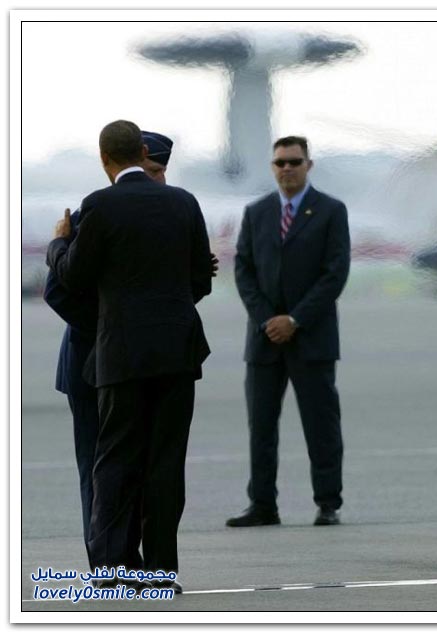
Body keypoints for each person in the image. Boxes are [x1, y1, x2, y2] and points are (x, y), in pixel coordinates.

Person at [46, 120, 213, 592]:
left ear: (104, 158)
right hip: (177, 355)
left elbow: (72, 278)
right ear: (142, 152)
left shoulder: (99, 205)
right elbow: (201, 279)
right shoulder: (184, 202)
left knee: (114, 462)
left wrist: (59, 244)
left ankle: (114, 570)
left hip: (120, 357)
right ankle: (160, 571)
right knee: (166, 466)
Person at [43, 130, 177, 547]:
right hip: (92, 361)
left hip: (143, 362)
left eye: (158, 172)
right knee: (99, 469)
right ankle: (105, 563)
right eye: (146, 170)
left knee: (147, 469)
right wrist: (112, 331)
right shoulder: (96, 212)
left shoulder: (170, 213)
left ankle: (135, 563)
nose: (152, 179)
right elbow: (59, 291)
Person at [227, 135, 350, 528]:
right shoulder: (257, 212)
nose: (287, 169)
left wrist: (294, 320)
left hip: (311, 338)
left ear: (308, 165)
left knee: (321, 425)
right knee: (261, 426)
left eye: (294, 161)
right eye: (280, 162)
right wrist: (268, 320)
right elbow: (243, 270)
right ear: (272, 167)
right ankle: (262, 504)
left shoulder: (330, 211)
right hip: (264, 340)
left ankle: (328, 502)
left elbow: (334, 274)